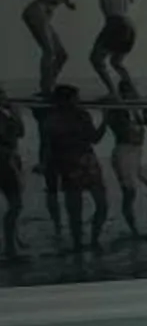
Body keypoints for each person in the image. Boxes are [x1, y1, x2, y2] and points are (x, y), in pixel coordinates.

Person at [37, 83, 106, 255]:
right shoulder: (52, 118)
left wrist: (106, 119)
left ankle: (93, 240)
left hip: (86, 161)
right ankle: (79, 244)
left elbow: (94, 138)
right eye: (76, 98)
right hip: (69, 163)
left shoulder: (81, 115)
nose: (79, 100)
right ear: (67, 100)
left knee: (101, 204)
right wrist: (44, 164)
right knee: (75, 209)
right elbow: (47, 145)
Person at [4, 0, 82, 92]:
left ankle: (48, 84)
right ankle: (46, 88)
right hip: (36, 12)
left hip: (45, 16)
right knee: (49, 51)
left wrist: (69, 4)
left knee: (62, 55)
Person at [102, 84, 147, 239]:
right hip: (124, 151)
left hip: (139, 151)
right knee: (130, 193)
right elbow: (123, 128)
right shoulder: (116, 109)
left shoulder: (136, 108)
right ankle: (134, 231)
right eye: (129, 93)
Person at [79, 0, 136, 96]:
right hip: (130, 24)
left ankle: (113, 93)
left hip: (115, 23)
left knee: (96, 59)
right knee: (116, 62)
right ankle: (132, 90)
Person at [0, 94, 26, 262]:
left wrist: (16, 115)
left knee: (14, 203)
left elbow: (21, 132)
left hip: (10, 157)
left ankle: (13, 241)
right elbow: (9, 135)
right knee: (15, 204)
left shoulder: (4, 114)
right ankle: (10, 247)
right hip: (4, 159)